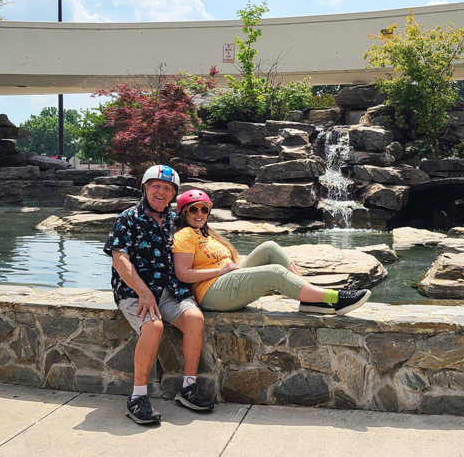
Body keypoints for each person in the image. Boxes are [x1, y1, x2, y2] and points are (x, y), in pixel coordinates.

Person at [104, 165, 213, 425]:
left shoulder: (176, 221)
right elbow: (119, 260)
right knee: (153, 327)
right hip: (135, 290)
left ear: (173, 194)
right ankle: (137, 398)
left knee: (195, 319)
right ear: (145, 187)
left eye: (167, 188)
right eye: (156, 186)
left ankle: (188, 387)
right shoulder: (128, 218)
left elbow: (201, 245)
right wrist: (143, 292)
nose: (161, 192)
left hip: (170, 289)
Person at [172, 189, 371, 315]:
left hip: (226, 280)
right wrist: (220, 271)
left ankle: (309, 300)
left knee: (270, 247)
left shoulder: (207, 234)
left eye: (204, 209)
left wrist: (227, 269)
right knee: (274, 272)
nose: (199, 214)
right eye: (193, 210)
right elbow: (183, 273)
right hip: (211, 293)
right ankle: (335, 297)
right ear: (183, 213)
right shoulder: (185, 235)